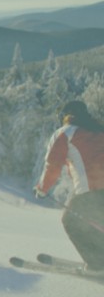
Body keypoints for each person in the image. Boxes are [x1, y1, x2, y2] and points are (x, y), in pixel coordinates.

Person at [35, 100, 104, 271]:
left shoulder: (65, 133)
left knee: (72, 221)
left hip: (93, 191)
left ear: (66, 116)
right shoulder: (98, 130)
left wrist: (42, 189)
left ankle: (98, 264)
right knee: (95, 223)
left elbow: (53, 165)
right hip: (93, 191)